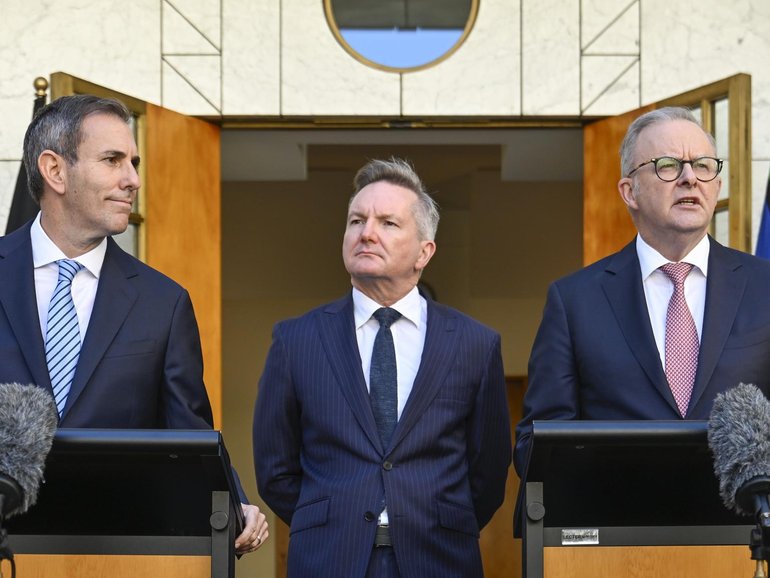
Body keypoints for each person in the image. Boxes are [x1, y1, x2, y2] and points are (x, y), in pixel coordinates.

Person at [0, 94, 268, 554]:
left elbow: (189, 435)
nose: (133, 180)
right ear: (55, 170)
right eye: (112, 160)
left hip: (113, 550)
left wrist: (236, 507)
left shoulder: (163, 303)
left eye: (134, 162)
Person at [253, 158, 511, 578]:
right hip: (327, 561)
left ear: (424, 251)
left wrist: (438, 524)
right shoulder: (295, 340)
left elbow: (488, 470)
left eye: (388, 223)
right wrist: (332, 523)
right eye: (357, 220)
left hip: (439, 560)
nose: (366, 233)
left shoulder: (475, 344)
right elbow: (275, 469)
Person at [514, 106, 770, 525]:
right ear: (629, 191)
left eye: (703, 166)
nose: (690, 178)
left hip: (744, 545)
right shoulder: (574, 300)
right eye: (668, 165)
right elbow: (537, 443)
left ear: (717, 184)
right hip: (619, 543)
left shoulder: (765, 287)